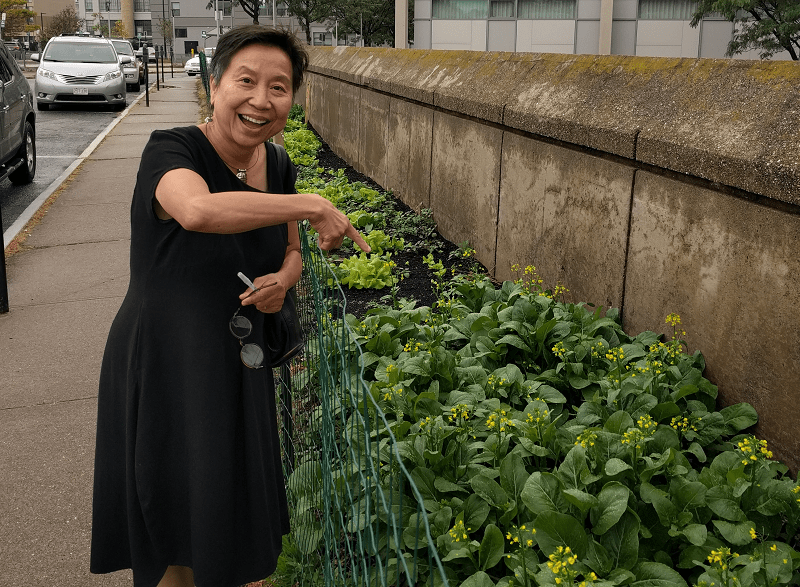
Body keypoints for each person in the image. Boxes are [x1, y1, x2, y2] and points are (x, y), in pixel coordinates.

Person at [90, 25, 369, 587]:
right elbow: (196, 211)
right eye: (246, 81)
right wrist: (314, 204)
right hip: (169, 362)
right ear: (214, 85)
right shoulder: (170, 149)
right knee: (173, 521)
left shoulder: (279, 165)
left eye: (279, 86)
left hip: (240, 364)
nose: (261, 100)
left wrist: (282, 282)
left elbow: (291, 252)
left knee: (231, 515)